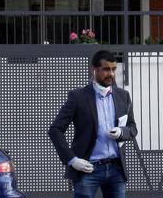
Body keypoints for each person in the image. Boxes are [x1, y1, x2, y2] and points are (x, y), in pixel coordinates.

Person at [49, 50, 138, 198]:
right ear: (94, 69)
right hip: (87, 169)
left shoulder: (123, 96)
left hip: (116, 168)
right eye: (106, 69)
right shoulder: (78, 97)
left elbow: (133, 128)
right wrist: (72, 160)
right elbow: (55, 130)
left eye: (114, 69)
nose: (111, 74)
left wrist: (122, 132)